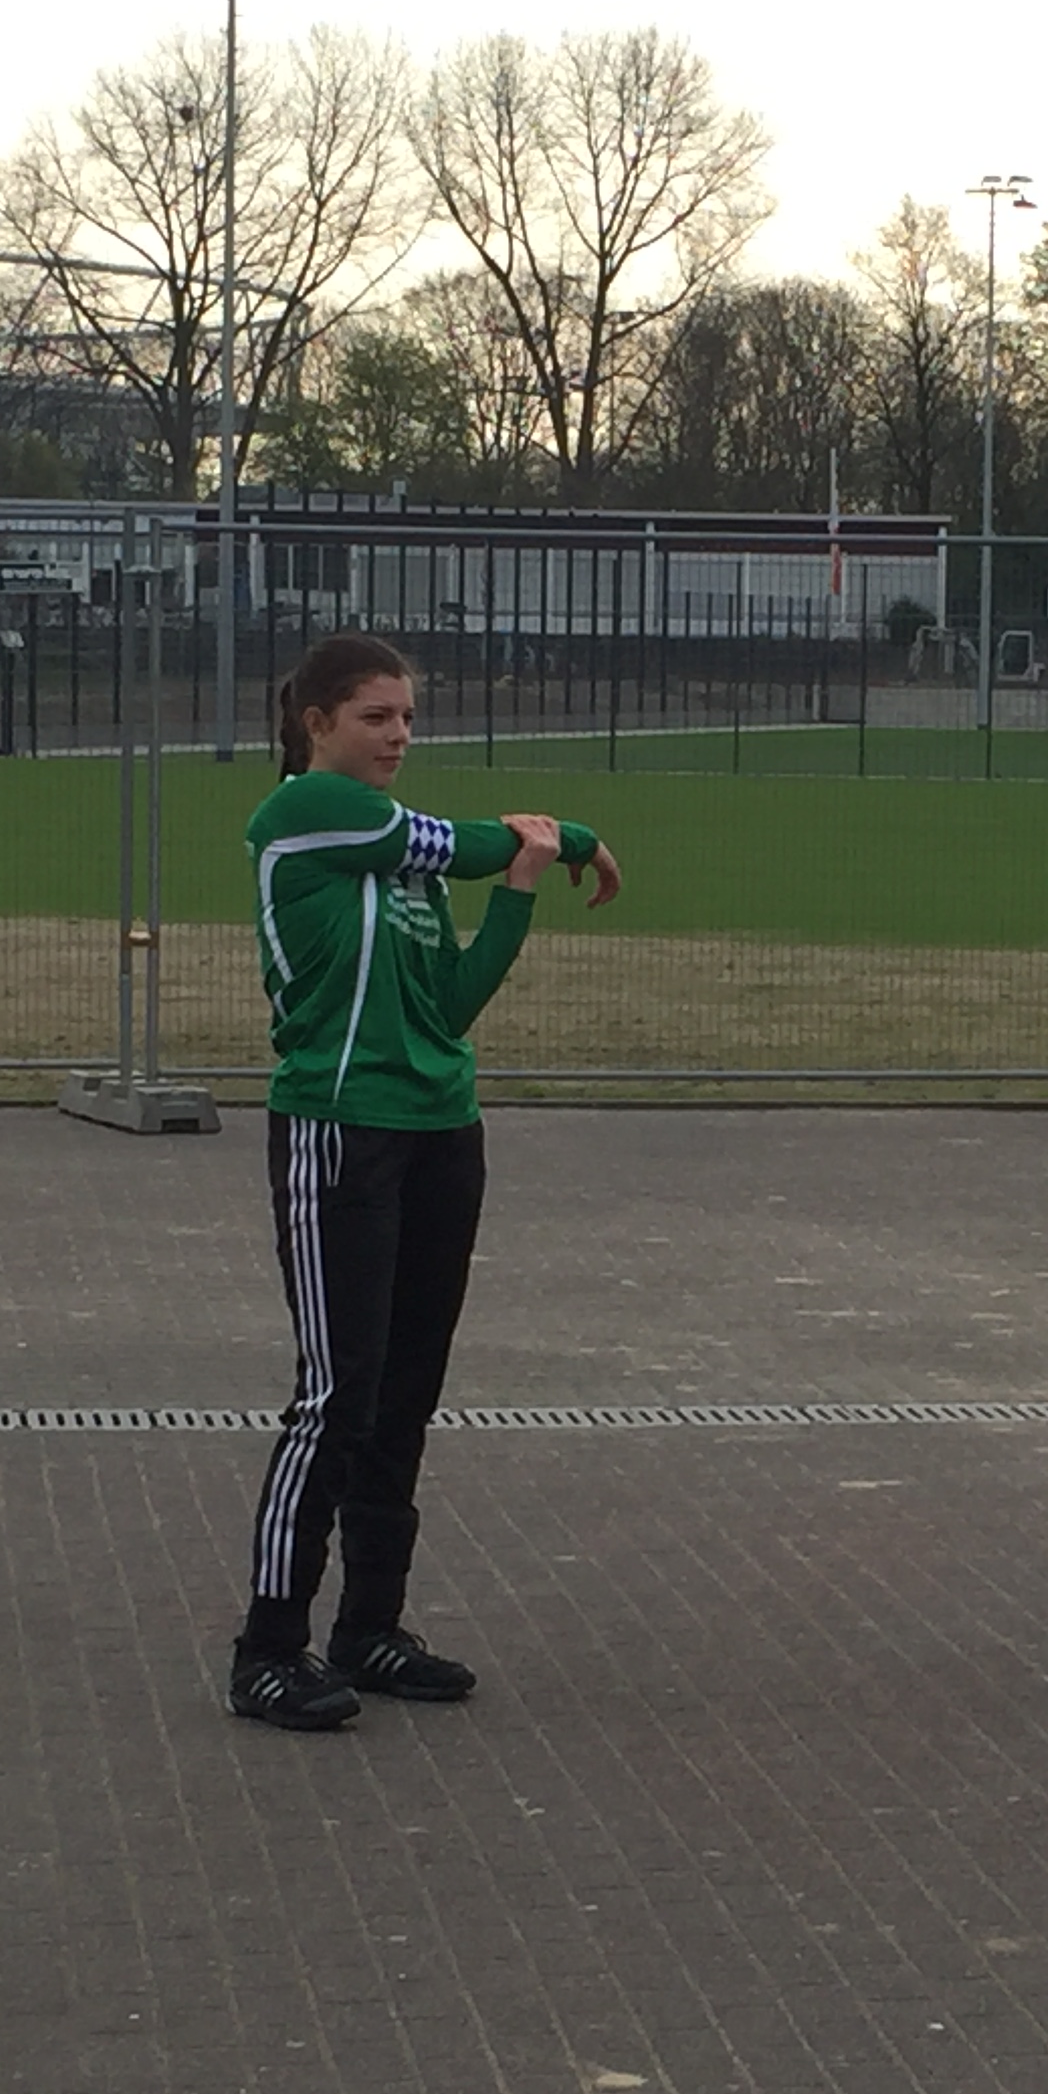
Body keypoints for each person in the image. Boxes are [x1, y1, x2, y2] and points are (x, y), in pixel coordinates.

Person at [226, 637, 623, 1732]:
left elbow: (447, 1007)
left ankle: (371, 1627)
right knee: (337, 1394)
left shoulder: (400, 866)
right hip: (341, 1130)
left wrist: (523, 891)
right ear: (316, 723)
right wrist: (566, 838)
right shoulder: (307, 811)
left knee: (405, 1391)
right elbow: (470, 842)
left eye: (407, 716)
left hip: (442, 1129)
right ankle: (269, 1647)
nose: (399, 734)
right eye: (376, 716)